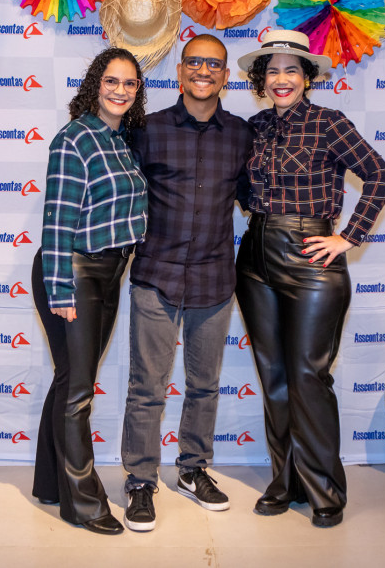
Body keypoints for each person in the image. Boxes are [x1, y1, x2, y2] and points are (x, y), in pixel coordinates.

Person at [234, 30, 385, 528]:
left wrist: (348, 238)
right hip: (254, 257)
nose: (281, 79)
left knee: (308, 376)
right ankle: (285, 482)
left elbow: (379, 174)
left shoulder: (329, 123)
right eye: (272, 71)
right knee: (274, 377)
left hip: (311, 257)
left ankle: (324, 488)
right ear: (261, 79)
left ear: (307, 77)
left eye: (291, 70)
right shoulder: (254, 127)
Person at [119, 34, 254, 532]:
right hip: (156, 275)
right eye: (194, 62)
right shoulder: (147, 130)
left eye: (213, 64)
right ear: (179, 72)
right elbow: (120, 192)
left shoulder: (240, 134)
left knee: (204, 385)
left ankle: (193, 469)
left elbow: (253, 196)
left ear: (225, 76)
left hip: (214, 279)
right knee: (147, 387)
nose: (203, 71)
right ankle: (140, 481)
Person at [31, 47, 148, 535]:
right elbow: (57, 222)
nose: (120, 90)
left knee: (69, 380)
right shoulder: (74, 139)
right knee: (79, 391)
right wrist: (60, 290)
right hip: (73, 273)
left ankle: (50, 482)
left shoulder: (122, 142)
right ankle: (82, 502)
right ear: (95, 84)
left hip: (108, 273)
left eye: (130, 83)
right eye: (111, 81)